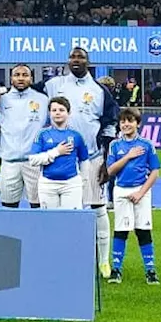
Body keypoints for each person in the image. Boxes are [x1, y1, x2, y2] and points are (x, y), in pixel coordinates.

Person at [32, 47, 117, 274]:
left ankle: (103, 262)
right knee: (60, 216)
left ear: (88, 61)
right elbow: (28, 92)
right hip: (58, 159)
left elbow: (110, 124)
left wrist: (107, 160)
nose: (76, 60)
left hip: (91, 157)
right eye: (72, 57)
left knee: (98, 209)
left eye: (80, 57)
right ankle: (62, 260)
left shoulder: (99, 90)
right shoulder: (54, 85)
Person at [106, 108, 161, 285]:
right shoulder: (114, 145)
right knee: (121, 230)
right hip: (121, 190)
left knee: (143, 230)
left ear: (138, 123)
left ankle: (150, 271)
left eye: (130, 121)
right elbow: (110, 171)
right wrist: (128, 157)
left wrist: (141, 192)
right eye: (123, 121)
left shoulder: (146, 145)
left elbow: (155, 172)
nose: (126, 124)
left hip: (141, 190)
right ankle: (116, 270)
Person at [0, 64, 48, 209]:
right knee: (8, 207)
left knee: (38, 206)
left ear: (31, 78)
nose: (21, 78)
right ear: (11, 78)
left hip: (34, 161)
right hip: (10, 161)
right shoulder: (1, 99)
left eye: (25, 75)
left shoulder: (42, 99)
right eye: (17, 75)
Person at [28, 96, 89, 209]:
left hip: (71, 184)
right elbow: (33, 160)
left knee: (71, 220)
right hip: (47, 184)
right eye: (54, 110)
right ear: (49, 113)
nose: (57, 113)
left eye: (61, 110)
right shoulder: (42, 134)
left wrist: (82, 181)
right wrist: (56, 152)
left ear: (68, 112)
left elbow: (84, 160)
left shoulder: (76, 135)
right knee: (49, 221)